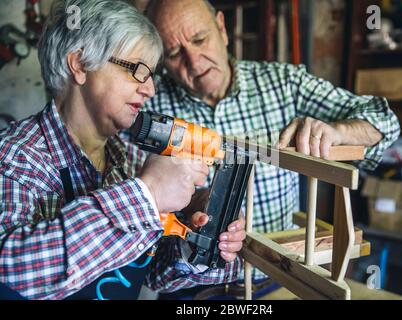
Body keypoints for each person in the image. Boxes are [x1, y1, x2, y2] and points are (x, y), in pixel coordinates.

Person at [139, 0, 401, 294]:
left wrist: (339, 132)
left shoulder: (283, 83)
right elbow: (146, 260)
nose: (195, 62)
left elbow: (384, 121)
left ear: (223, 29)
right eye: (174, 53)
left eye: (200, 39)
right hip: (193, 288)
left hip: (282, 279)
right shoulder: (148, 107)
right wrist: (189, 212)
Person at [0, 0, 245, 300]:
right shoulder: (15, 156)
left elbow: (152, 273)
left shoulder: (129, 159)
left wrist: (197, 237)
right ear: (79, 64)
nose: (150, 89)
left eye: (152, 74)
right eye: (138, 70)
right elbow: (11, 269)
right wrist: (147, 195)